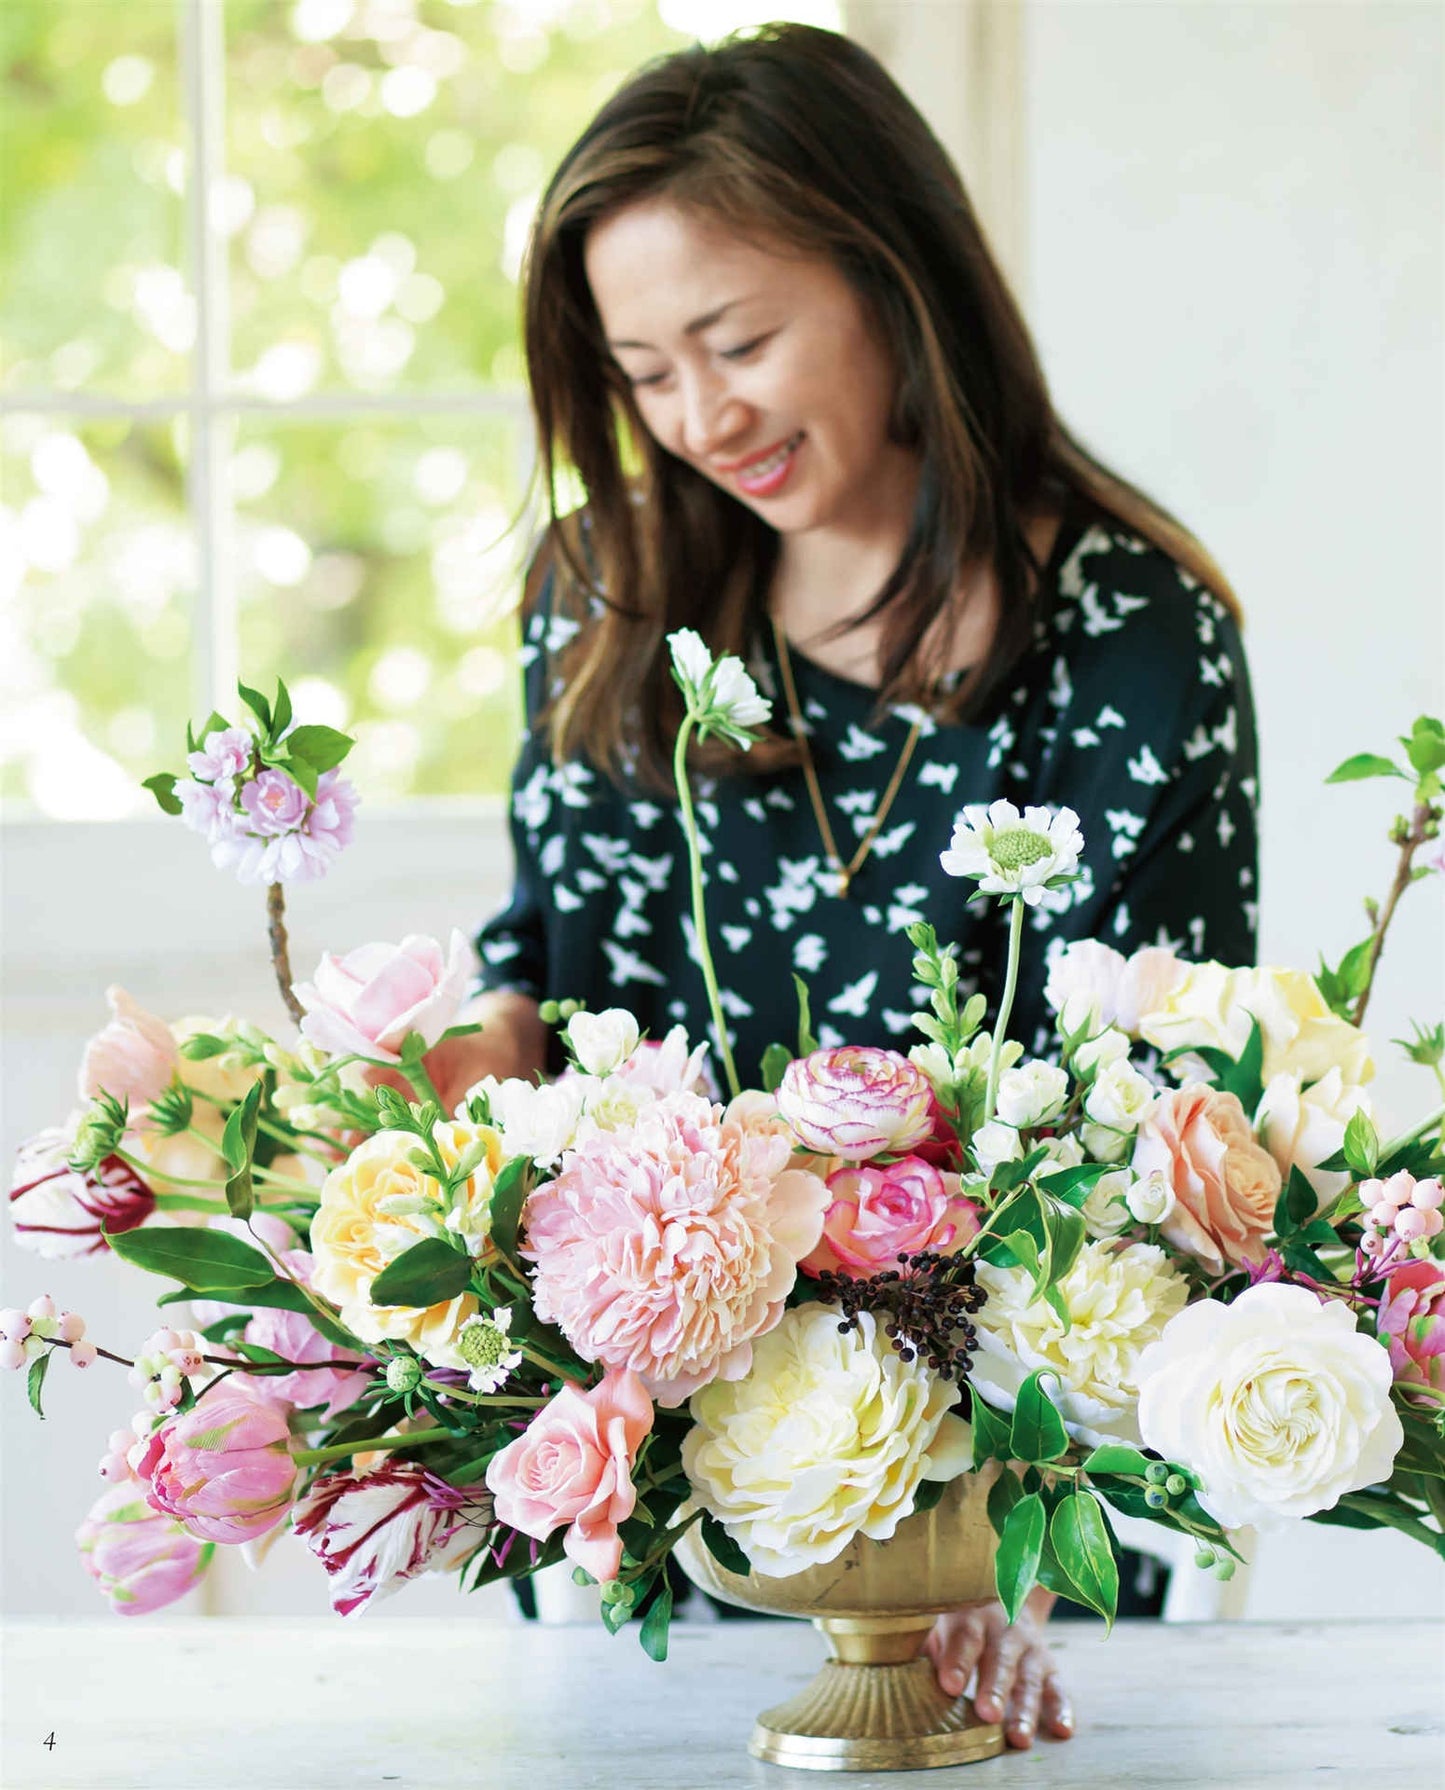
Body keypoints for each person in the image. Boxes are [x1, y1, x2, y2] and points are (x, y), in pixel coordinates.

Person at [418, 22, 1259, 1752]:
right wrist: (414, 1145)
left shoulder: (1137, 638)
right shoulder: (608, 592)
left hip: (1002, 1522)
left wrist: (981, 1543)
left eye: (738, 340)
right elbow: (550, 980)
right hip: (653, 1498)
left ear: (895, 277)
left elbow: (1172, 1145)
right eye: (644, 367)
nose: (699, 416)